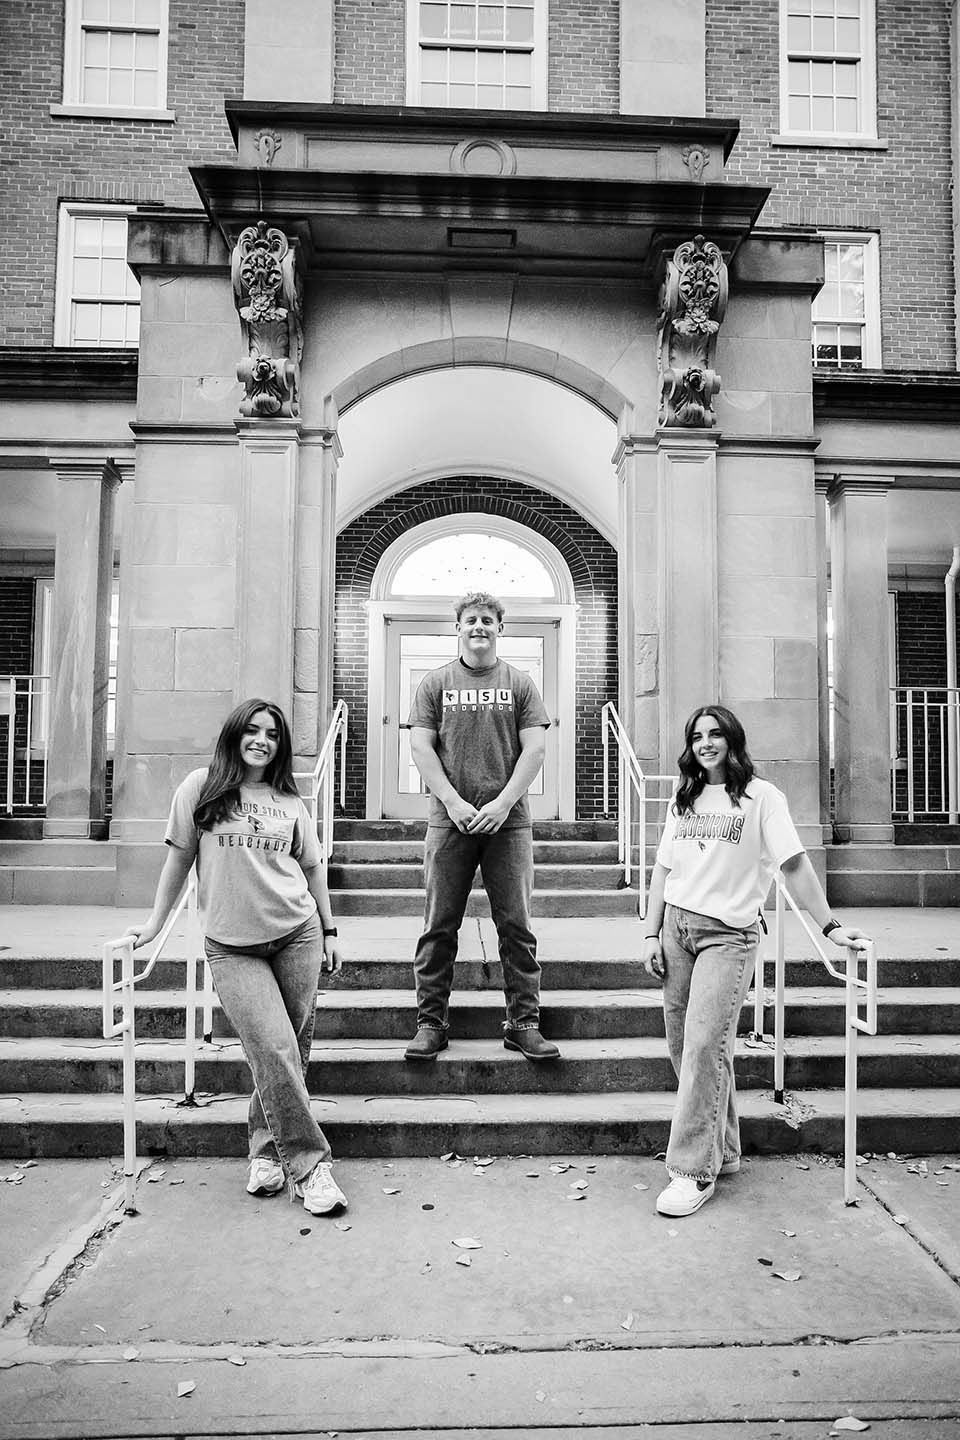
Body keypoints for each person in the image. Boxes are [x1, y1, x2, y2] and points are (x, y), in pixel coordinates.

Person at [641, 704, 870, 1219]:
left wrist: (830, 927)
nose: (705, 743)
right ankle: (722, 1151)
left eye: (715, 734)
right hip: (677, 929)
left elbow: (794, 865)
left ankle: (691, 1171)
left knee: (704, 1045)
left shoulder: (762, 797)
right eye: (696, 736)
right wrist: (651, 932)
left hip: (730, 935)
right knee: (685, 1048)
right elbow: (662, 870)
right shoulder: (684, 798)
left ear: (733, 740)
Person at [125, 698, 348, 1218]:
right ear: (234, 734)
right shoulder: (200, 788)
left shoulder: (289, 800)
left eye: (272, 734)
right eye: (252, 730)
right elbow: (179, 859)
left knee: (288, 1052)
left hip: (298, 935)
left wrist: (331, 930)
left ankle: (267, 1153)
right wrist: (154, 925)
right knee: (274, 1047)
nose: (261, 741)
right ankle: (311, 1167)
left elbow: (313, 868)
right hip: (231, 946)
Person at [404, 591, 559, 1062]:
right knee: (439, 925)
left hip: (507, 825)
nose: (479, 627)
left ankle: (523, 1024)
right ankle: (431, 1024)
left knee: (516, 926)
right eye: (471, 619)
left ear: (499, 628)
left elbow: (535, 750)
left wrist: (503, 804)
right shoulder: (435, 683)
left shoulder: (520, 683)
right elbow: (421, 748)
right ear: (458, 627)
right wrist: (451, 802)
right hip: (448, 822)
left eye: (487, 620)